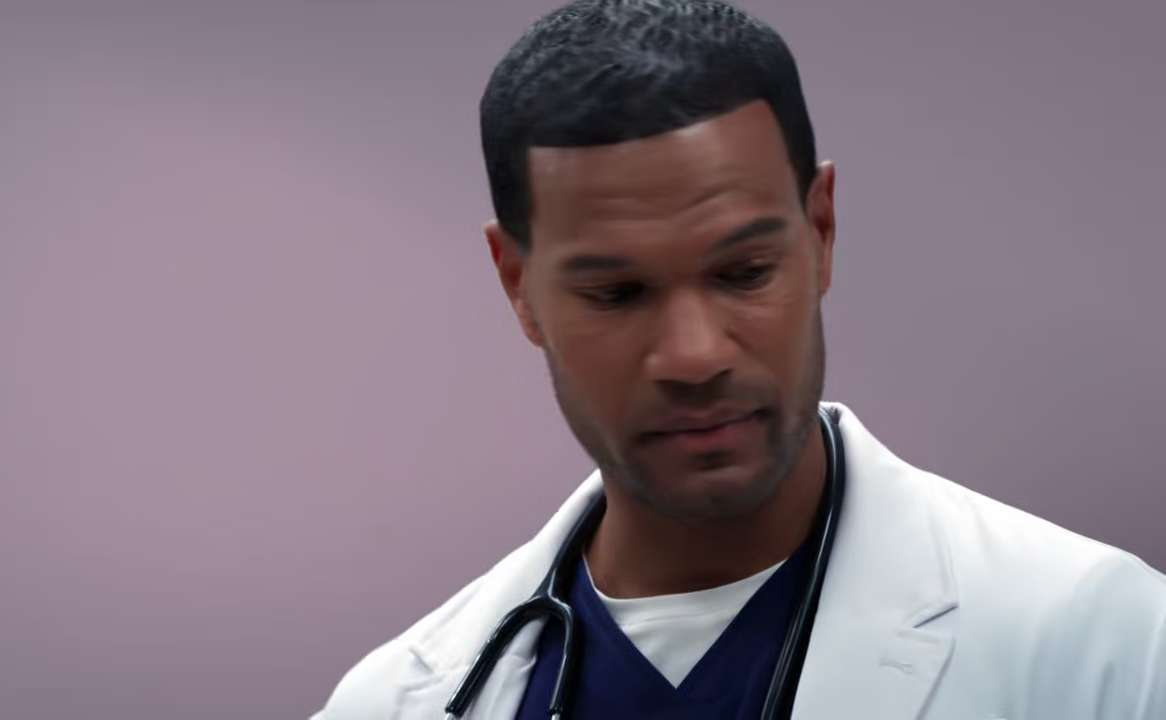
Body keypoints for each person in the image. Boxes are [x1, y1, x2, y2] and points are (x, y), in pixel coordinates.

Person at [311, 0, 1166, 718]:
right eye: (617, 292)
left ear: (821, 230)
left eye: (745, 272)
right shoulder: (389, 704)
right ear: (517, 285)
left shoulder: (1104, 646)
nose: (694, 356)